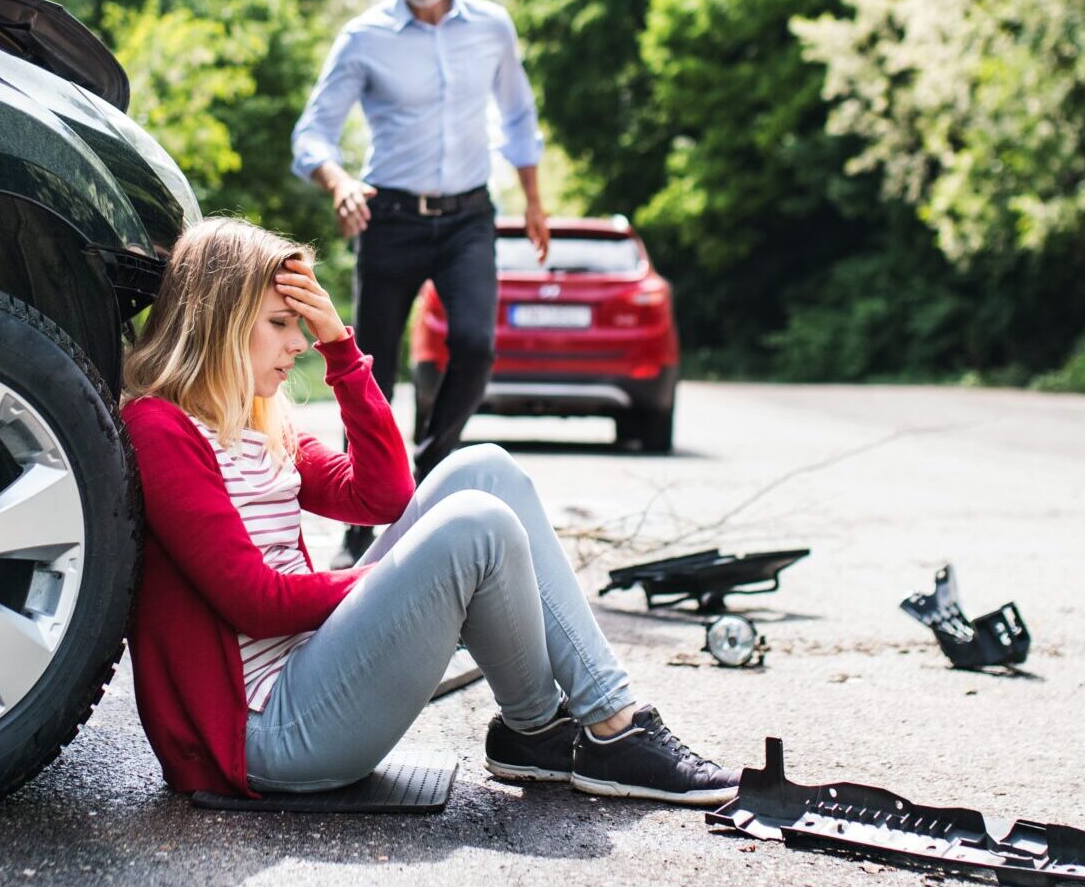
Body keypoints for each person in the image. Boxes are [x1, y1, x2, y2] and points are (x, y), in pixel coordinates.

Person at [120, 217, 739, 805]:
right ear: (220, 322)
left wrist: (342, 349)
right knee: (473, 526)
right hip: (263, 736)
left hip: (309, 678)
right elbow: (252, 600)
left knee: (484, 469)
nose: (298, 342)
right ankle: (601, 730)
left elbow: (382, 496)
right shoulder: (160, 430)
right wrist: (403, 581)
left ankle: (546, 731)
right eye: (281, 323)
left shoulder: (258, 425)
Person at [292, 0, 550, 566]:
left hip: (468, 216)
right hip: (391, 218)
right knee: (368, 367)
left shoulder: (491, 27)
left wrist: (532, 200)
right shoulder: (365, 37)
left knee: (476, 346)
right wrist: (339, 182)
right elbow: (311, 133)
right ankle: (358, 520)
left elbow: (519, 118)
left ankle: (421, 481)